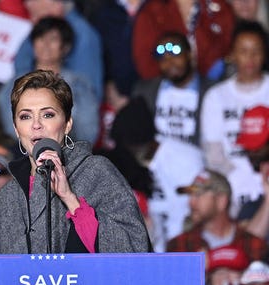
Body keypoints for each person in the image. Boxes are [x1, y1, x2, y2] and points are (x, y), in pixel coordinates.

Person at [0, 70, 150, 254]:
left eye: (48, 115)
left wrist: (71, 199)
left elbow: (135, 250)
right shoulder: (8, 195)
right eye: (25, 116)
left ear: (68, 123)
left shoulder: (97, 171)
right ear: (16, 129)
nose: (36, 124)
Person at [110, 97, 204, 252]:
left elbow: (189, 213)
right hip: (151, 247)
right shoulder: (128, 163)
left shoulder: (185, 159)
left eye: (133, 146)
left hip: (184, 245)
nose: (130, 151)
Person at [200, 21, 269, 217]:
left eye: (256, 51)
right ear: (232, 54)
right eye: (243, 50)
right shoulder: (216, 96)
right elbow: (213, 155)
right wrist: (238, 182)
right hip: (230, 193)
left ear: (264, 54)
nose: (250, 58)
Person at [132, 31, 214, 146]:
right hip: (155, 162)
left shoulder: (211, 91)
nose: (170, 63)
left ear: (189, 54)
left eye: (176, 55)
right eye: (163, 59)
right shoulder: (144, 92)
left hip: (197, 160)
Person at [167, 169, 266, 261]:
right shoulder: (179, 245)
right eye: (190, 196)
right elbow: (169, 279)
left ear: (221, 201)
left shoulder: (252, 244)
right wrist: (197, 269)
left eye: (198, 195)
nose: (190, 202)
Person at [237, 106, 269, 242]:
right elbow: (247, 248)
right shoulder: (251, 207)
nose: (252, 153)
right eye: (248, 149)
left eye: (258, 148)